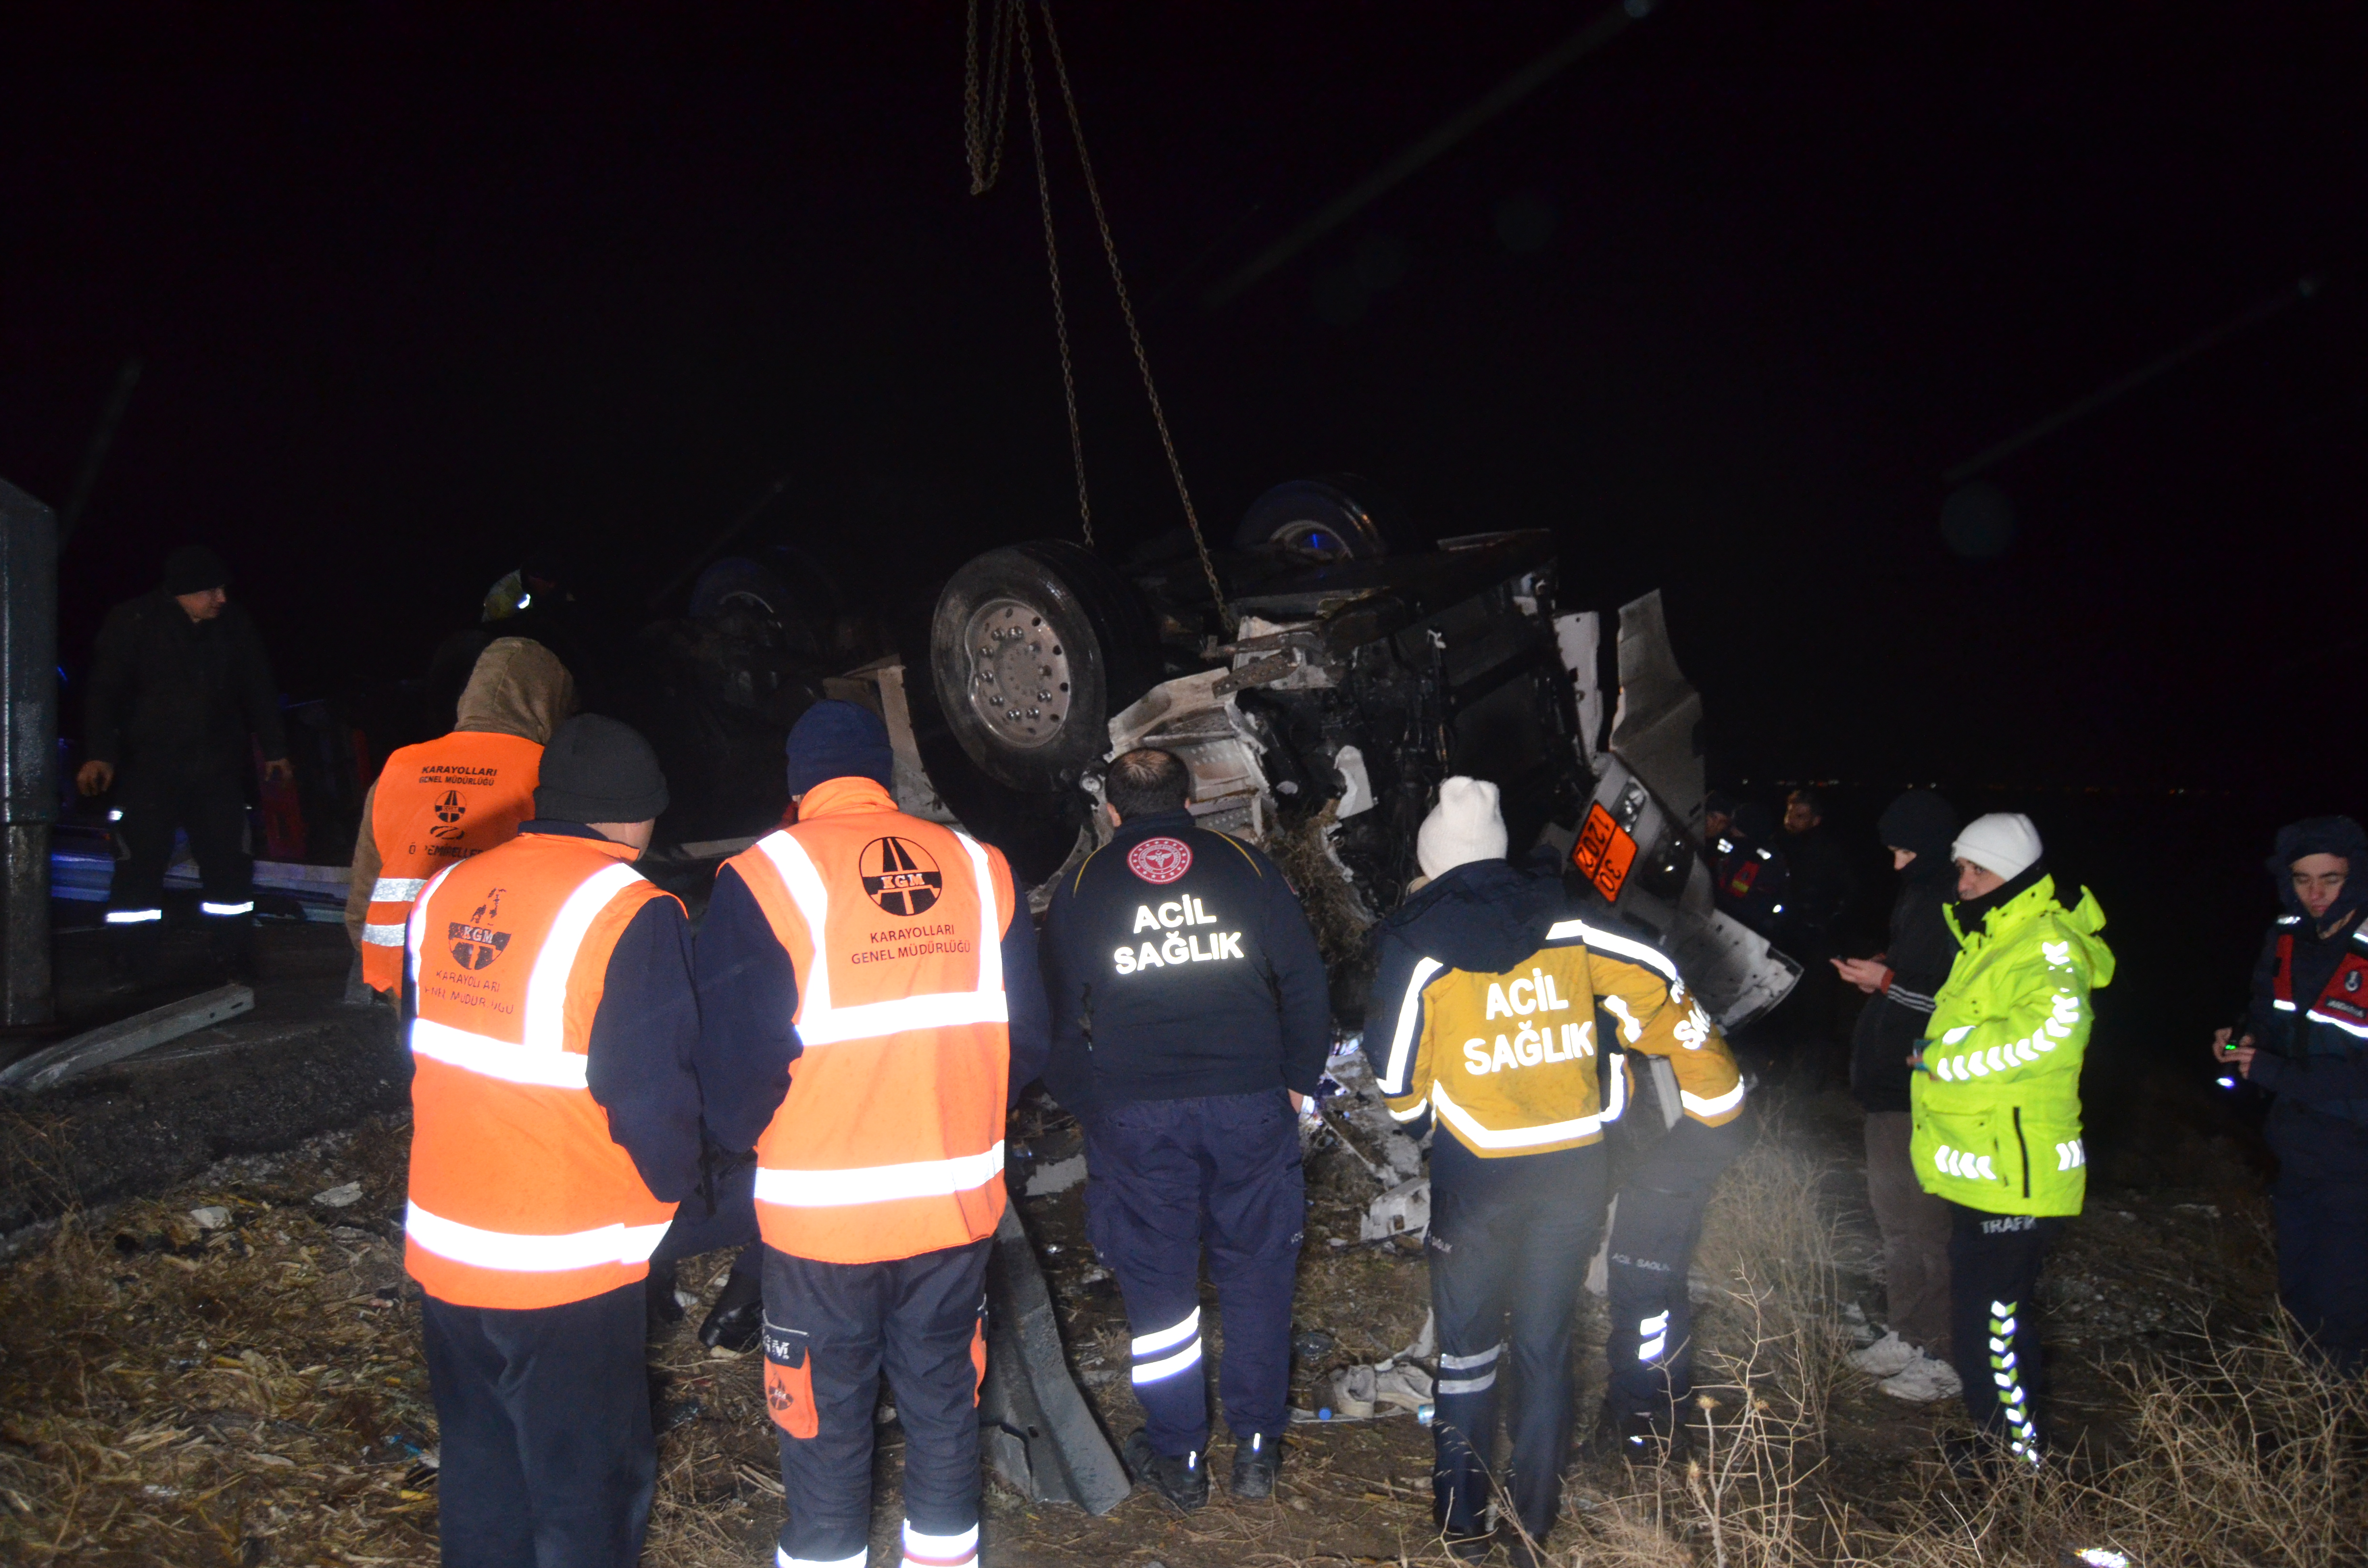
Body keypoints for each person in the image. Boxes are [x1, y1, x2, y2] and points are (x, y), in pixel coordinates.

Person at [693, 699, 1049, 1568]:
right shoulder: (978, 864)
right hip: (951, 1206)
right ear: (882, 776)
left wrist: (748, 1138)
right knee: (941, 1403)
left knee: (823, 1420)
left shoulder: (763, 875)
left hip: (823, 1222)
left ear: (797, 782)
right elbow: (1028, 1039)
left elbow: (736, 1067)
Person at [1365, 777, 1718, 1563]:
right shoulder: (1573, 917)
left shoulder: (1414, 940)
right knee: (1545, 1345)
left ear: (1431, 857)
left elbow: (1395, 1087)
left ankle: (1462, 1521)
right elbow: (1643, 999)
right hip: (1570, 1168)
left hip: (1478, 1173)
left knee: (1465, 1350)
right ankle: (1533, 1523)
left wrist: (1426, 1107)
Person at [401, 714, 704, 1567]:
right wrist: (677, 1197)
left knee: (483, 1476)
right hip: (562, 1260)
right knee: (588, 1496)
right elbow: (652, 1097)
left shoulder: (446, 888)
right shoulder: (630, 909)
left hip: (448, 1243)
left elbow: (423, 1047)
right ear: (639, 814)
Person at [1038, 748, 1331, 1508]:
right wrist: (1298, 1082)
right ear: (1190, 798)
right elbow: (1303, 979)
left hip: (1139, 1117)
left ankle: (1181, 1458)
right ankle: (1257, 1450)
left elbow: (1056, 1021)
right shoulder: (1246, 865)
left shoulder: (1081, 885)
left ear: (1109, 811)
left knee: (1160, 1292)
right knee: (1259, 1276)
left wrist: (1092, 1106)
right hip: (1248, 1105)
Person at [1909, 813, 2112, 1472]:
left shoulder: (2045, 943)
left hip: (2017, 1175)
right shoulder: (1990, 938)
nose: (1964, 882)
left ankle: (2017, 1466)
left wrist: (1946, 1057)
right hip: (1986, 1171)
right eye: (1962, 868)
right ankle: (1993, 1435)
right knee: (1979, 1323)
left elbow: (2053, 1030)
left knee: (1994, 1328)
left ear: (2017, 875)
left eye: (1979, 870)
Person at [77, 545, 292, 978]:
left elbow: (258, 687)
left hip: (217, 769)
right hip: (149, 769)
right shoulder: (133, 622)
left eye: (223, 589)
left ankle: (232, 952)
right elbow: (104, 692)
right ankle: (129, 956)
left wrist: (275, 749)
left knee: (229, 864)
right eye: (212, 590)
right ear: (184, 591)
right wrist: (100, 754)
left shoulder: (234, 625)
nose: (222, 599)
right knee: (139, 863)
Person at [1590, 916, 1751, 1461]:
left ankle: (1636, 1424)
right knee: (1662, 1285)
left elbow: (1613, 1098)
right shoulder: (1634, 967)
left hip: (1689, 1134)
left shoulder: (1603, 983)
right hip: (1709, 1121)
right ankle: (1669, 1407)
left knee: (1640, 1284)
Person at [2216, 816, 2368, 1372]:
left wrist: (2274, 1072)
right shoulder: (2286, 934)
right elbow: (2263, 1010)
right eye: (2303, 880)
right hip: (2295, 1143)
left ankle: (2338, 1420)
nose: (2316, 893)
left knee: (2344, 1296)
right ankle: (2307, 1398)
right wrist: (2242, 1039)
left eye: (2330, 879)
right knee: (2299, 1284)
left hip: (2355, 1152)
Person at [347, 637, 575, 996]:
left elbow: (365, 891)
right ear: (549, 699)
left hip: (407, 976)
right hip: (505, 980)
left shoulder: (399, 767)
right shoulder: (550, 775)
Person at [1835, 791, 1962, 1402]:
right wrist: (1888, 970)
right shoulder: (1919, 893)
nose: (1895, 865)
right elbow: (1917, 976)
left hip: (1926, 1086)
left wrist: (1884, 980)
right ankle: (1907, 1333)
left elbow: (1951, 1001)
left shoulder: (1954, 900)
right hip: (1889, 1087)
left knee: (1928, 1225)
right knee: (1895, 1226)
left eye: (1905, 851)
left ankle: (1943, 1352)